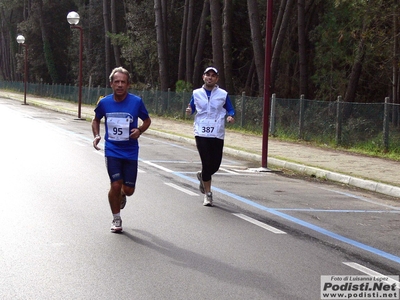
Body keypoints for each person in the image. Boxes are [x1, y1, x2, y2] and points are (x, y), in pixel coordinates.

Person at [92, 67, 151, 233]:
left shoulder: (136, 102)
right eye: (116, 82)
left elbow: (147, 121)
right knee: (116, 184)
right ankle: (116, 218)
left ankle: (123, 196)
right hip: (112, 150)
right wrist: (96, 135)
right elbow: (95, 120)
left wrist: (139, 130)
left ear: (128, 84)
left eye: (123, 82)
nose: (119, 85)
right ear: (111, 84)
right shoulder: (104, 103)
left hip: (131, 151)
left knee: (129, 190)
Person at [186, 66, 235, 206]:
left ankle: (203, 176)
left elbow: (230, 109)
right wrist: (189, 110)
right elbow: (192, 107)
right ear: (203, 77)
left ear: (217, 79)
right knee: (206, 162)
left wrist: (231, 116)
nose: (210, 77)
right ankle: (208, 194)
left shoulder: (223, 94)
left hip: (216, 132)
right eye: (208, 75)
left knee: (215, 165)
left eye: (213, 75)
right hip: (201, 131)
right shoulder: (196, 93)